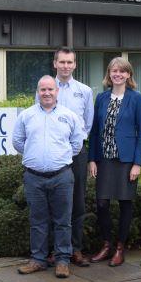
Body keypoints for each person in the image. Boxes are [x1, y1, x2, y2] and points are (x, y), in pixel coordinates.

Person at [13, 75, 85, 278]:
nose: (46, 93)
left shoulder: (69, 116)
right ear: (38, 92)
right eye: (42, 90)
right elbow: (18, 142)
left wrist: (57, 157)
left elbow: (76, 145)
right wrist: (37, 155)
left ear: (57, 92)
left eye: (50, 89)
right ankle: (38, 259)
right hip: (34, 178)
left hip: (61, 176)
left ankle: (62, 260)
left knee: (63, 221)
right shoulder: (26, 116)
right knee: (37, 220)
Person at [88, 57, 141, 266]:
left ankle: (120, 247)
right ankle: (106, 244)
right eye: (114, 71)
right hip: (104, 159)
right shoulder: (101, 98)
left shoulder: (136, 99)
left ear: (129, 74)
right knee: (102, 203)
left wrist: (138, 163)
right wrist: (92, 159)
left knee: (125, 204)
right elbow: (94, 131)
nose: (118, 74)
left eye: (122, 71)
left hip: (126, 161)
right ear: (109, 74)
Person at [50, 47, 94, 267]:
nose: (66, 66)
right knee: (54, 202)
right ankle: (55, 251)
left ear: (75, 65)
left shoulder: (84, 91)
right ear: (55, 63)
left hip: (76, 152)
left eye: (70, 62)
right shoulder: (47, 88)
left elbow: (88, 123)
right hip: (53, 152)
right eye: (62, 62)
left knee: (77, 202)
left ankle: (75, 249)